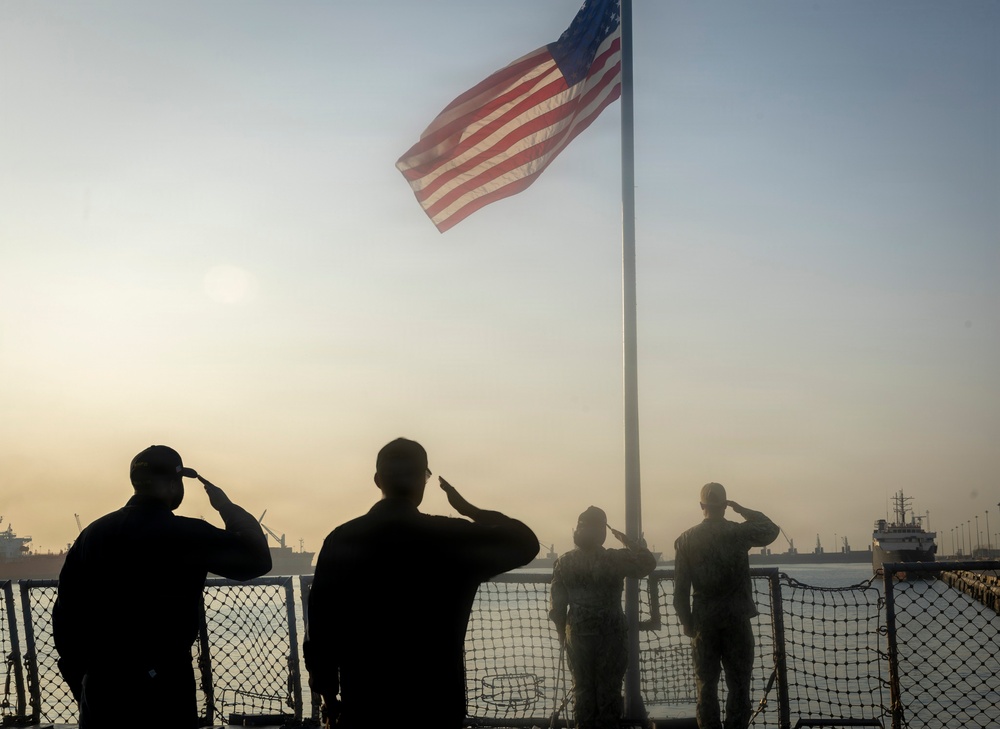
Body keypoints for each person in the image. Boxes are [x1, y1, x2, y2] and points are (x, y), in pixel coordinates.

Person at [304, 437, 539, 729]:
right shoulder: (454, 538)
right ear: (423, 481)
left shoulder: (341, 540)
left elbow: (321, 629)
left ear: (378, 480)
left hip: (366, 706)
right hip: (437, 706)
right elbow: (526, 543)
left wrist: (329, 699)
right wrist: (470, 510)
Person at [52, 445, 271, 729]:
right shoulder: (185, 534)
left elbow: (65, 617)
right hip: (166, 685)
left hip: (103, 685)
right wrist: (227, 508)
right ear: (172, 484)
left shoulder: (92, 535)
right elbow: (257, 560)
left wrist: (84, 683)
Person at [672, 482, 780, 729]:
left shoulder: (685, 540)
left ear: (701, 505)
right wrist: (742, 510)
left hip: (703, 623)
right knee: (739, 686)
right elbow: (771, 529)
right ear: (724, 505)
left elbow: (680, 593)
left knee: (706, 687)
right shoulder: (738, 533)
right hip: (736, 620)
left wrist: (687, 624)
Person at [548, 506, 657, 729]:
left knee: (582, 690)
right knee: (609, 691)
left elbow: (557, 607)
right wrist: (629, 541)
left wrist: (562, 634)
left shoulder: (564, 562)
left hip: (577, 635)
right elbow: (648, 562)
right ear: (601, 532)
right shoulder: (614, 559)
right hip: (611, 634)